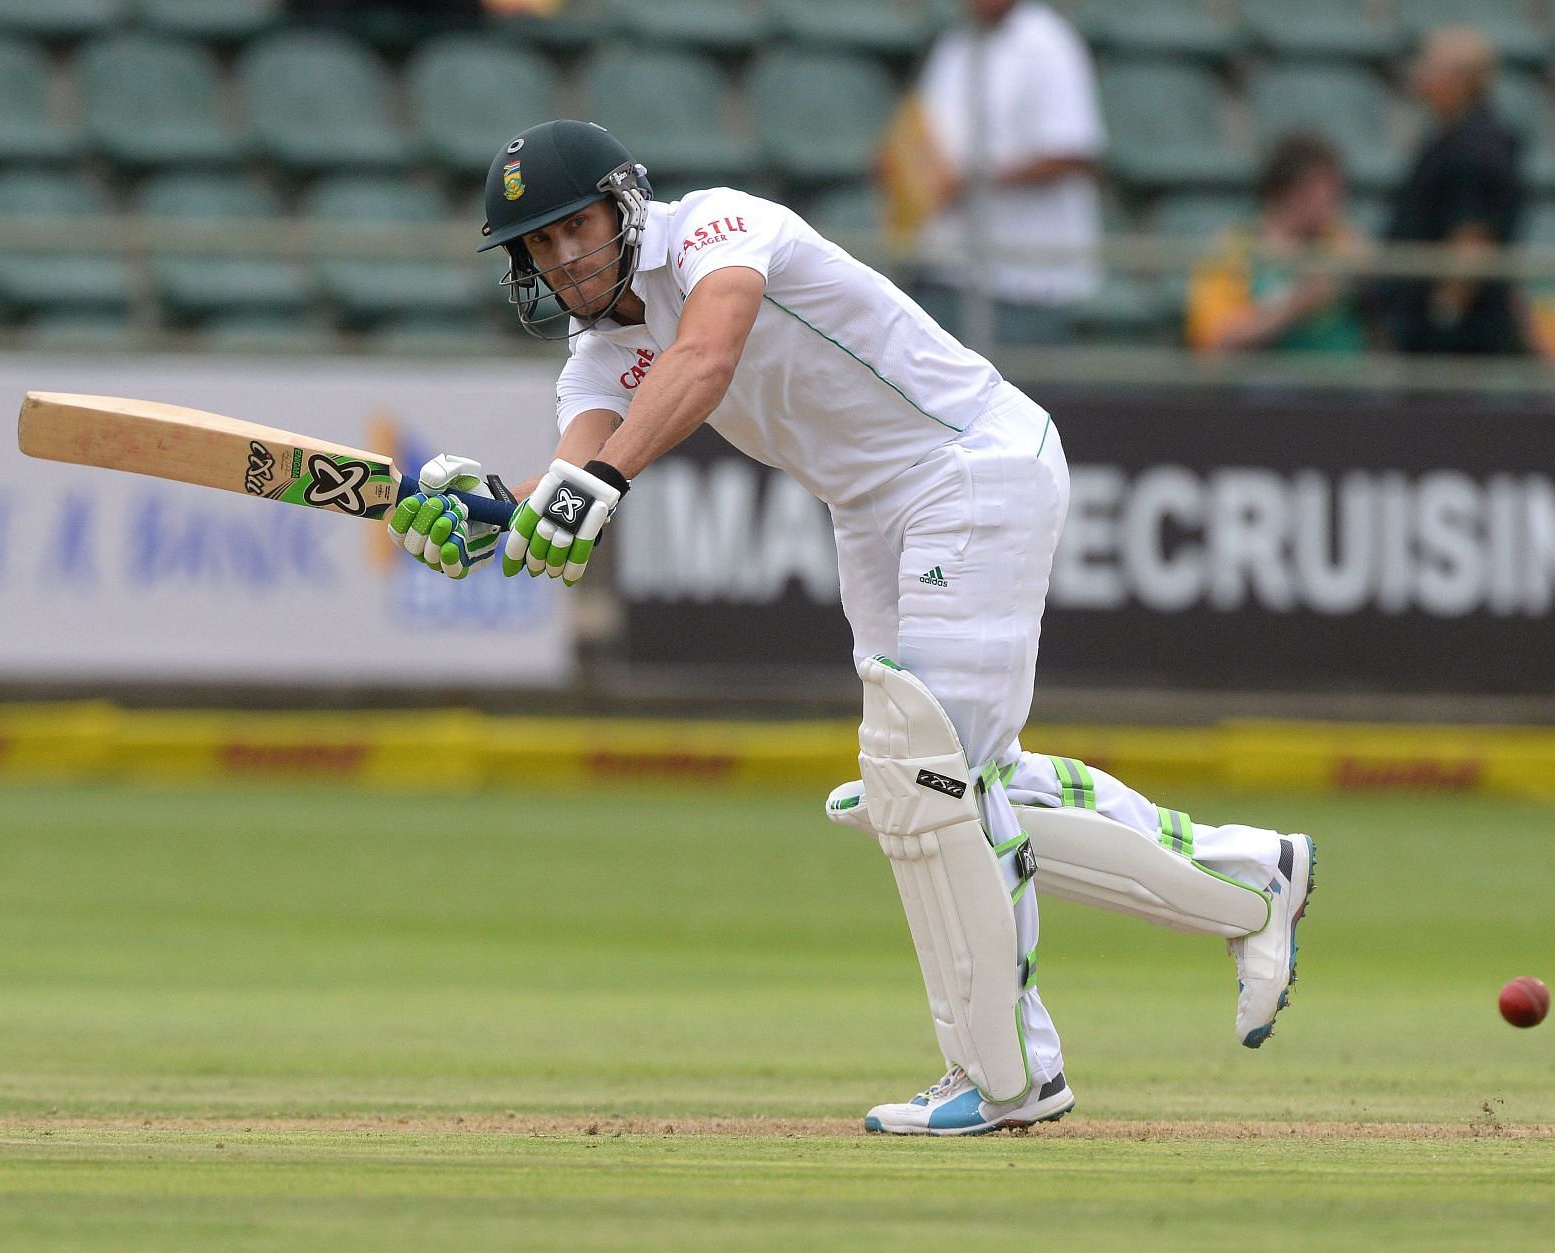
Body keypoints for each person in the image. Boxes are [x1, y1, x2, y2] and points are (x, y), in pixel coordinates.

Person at [384, 120, 1316, 1136]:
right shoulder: (598, 350)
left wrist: (595, 484)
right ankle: (1250, 876)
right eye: (540, 245)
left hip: (970, 465)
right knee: (947, 784)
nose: (566, 258)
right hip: (871, 511)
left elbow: (704, 356)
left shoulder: (718, 230)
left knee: (929, 781)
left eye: (578, 227)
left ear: (624, 204)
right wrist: (488, 515)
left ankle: (1009, 1076)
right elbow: (575, 462)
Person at [904, 0, 1105, 347]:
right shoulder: (955, 43)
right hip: (948, 264)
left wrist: (971, 180)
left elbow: (1071, 152)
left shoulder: (1048, 42)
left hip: (1025, 280)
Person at [1379, 28, 1527, 355]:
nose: (1418, 74)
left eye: (1427, 65)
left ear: (1459, 80)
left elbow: (1471, 245)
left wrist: (1441, 319)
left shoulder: (1478, 149)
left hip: (1457, 341)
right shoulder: (1450, 138)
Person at [1186, 133, 1368, 354]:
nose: (1334, 199)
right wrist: (1301, 300)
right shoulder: (1235, 249)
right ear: (1287, 190)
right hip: (1269, 378)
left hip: (1349, 377)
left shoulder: (1343, 241)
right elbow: (1217, 338)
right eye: (1321, 188)